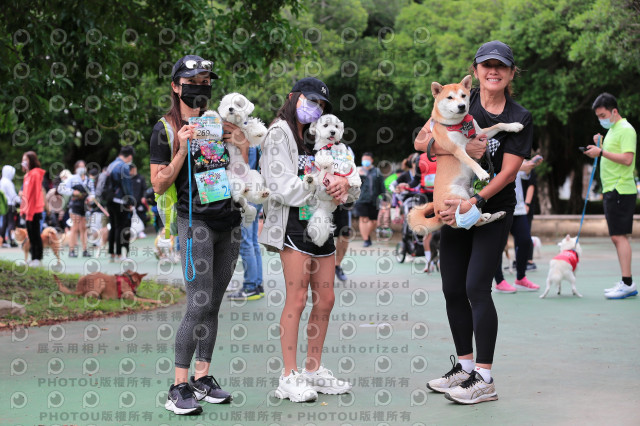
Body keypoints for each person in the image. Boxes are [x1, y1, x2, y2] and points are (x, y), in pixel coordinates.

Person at [415, 40, 533, 404]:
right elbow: (421, 141)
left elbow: (509, 172)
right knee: (452, 288)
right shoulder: (458, 102)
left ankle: (484, 377)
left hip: (491, 210)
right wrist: (446, 148)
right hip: (452, 207)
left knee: (476, 289)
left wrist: (475, 202)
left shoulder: (520, 116)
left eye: (501, 66)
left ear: (512, 73)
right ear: (476, 71)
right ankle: (464, 367)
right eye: (486, 65)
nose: (493, 71)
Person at [150, 55, 247, 415]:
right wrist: (180, 146)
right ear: (176, 86)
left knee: (214, 304)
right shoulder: (164, 128)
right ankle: (177, 386)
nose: (200, 87)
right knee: (198, 303)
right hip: (196, 224)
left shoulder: (216, 122)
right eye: (193, 80)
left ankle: (203, 379)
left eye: (206, 81)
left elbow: (242, 166)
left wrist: (237, 139)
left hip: (230, 222)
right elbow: (158, 183)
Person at [259, 77, 357, 402]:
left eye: (321, 105)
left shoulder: (321, 138)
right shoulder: (279, 134)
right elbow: (280, 184)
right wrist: (321, 184)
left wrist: (344, 187)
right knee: (297, 298)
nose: (315, 109)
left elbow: (348, 179)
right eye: (311, 101)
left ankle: (313, 369)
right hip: (293, 223)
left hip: (324, 222)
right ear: (293, 97)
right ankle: (288, 375)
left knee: (326, 299)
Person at [584, 93, 637, 299]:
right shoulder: (614, 129)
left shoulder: (626, 129)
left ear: (614, 111)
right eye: (598, 117)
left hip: (620, 190)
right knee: (617, 237)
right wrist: (602, 144)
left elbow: (626, 159)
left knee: (619, 237)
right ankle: (626, 281)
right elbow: (611, 154)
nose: (601, 120)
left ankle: (627, 283)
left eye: (603, 115)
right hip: (612, 190)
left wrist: (601, 152)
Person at [493, 159, 541, 293]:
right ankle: (499, 281)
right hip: (498, 207)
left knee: (525, 241)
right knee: (498, 245)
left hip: (517, 208)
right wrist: (518, 167)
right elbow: (496, 171)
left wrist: (528, 167)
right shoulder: (495, 148)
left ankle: (521, 278)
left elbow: (525, 175)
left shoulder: (518, 155)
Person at [228, 146, 264, 301]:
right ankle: (257, 284)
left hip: (246, 194)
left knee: (246, 242)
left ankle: (250, 286)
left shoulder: (241, 140)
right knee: (253, 242)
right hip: (257, 191)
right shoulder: (254, 140)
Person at [58, 160, 95, 257]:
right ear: (76, 169)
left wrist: (90, 198)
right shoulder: (72, 178)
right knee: (74, 228)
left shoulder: (89, 180)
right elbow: (61, 188)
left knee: (84, 228)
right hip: (75, 206)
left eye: (83, 166)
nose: (82, 168)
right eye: (80, 166)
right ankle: (71, 250)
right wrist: (72, 192)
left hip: (85, 207)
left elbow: (92, 193)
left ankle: (85, 250)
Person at [106, 146, 135, 261]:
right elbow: (127, 186)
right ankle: (119, 254)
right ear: (130, 156)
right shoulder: (123, 166)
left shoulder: (111, 165)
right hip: (120, 201)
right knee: (120, 227)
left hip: (110, 199)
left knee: (113, 227)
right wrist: (130, 201)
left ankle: (112, 253)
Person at [333, 144, 357, 282]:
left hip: (343, 198)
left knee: (344, 233)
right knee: (323, 233)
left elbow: (352, 170)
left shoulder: (346, 148)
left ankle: (337, 265)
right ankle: (323, 267)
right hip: (323, 198)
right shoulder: (317, 146)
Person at [19, 151, 46, 267]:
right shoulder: (27, 175)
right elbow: (25, 194)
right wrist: (23, 209)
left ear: (31, 160)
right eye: (23, 159)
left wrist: (30, 209)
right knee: (30, 234)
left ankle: (37, 258)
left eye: (26, 159)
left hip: (35, 210)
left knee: (35, 234)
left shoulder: (35, 174)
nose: (24, 162)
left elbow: (34, 195)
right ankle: (32, 257)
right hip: (27, 210)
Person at [353, 152, 386, 247]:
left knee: (374, 221)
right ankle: (366, 239)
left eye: (367, 160)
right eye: (364, 160)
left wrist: (384, 198)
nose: (365, 162)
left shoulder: (377, 171)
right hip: (361, 199)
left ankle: (366, 234)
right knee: (363, 219)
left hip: (374, 200)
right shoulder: (358, 171)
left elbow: (382, 186)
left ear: (372, 160)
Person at [0, 165, 19, 247]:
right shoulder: (8, 182)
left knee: (4, 223)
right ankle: (12, 240)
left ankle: (3, 240)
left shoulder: (1, 181)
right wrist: (21, 201)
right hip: (10, 204)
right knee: (11, 223)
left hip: (3, 205)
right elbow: (13, 195)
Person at [129, 163, 148, 239]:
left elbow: (145, 189)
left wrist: (144, 197)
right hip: (131, 202)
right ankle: (132, 233)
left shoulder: (141, 178)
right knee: (130, 218)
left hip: (140, 202)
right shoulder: (128, 179)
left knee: (141, 215)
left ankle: (141, 232)